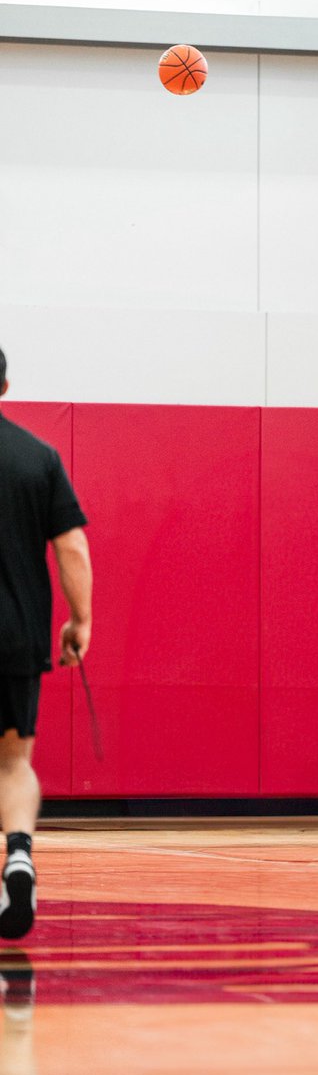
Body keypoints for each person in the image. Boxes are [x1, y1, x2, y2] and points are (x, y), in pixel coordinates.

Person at [0, 347, 92, 937]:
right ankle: (18, 856)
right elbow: (73, 548)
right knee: (13, 760)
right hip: (15, 635)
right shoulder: (38, 457)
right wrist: (79, 621)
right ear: (5, 383)